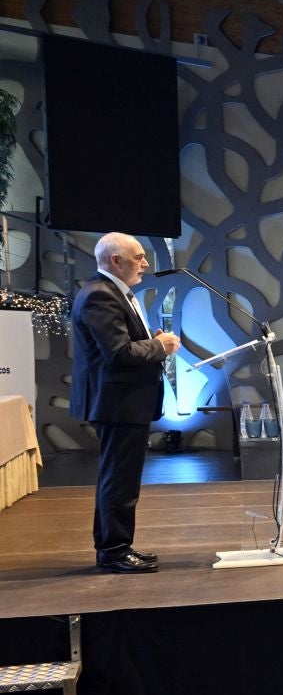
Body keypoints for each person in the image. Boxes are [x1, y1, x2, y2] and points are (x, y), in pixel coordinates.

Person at [69, 234, 181, 573]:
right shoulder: (100, 296)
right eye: (139, 256)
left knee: (119, 479)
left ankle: (115, 546)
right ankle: (115, 551)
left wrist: (152, 342)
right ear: (116, 261)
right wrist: (160, 346)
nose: (146, 263)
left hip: (123, 402)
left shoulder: (109, 292)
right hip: (117, 403)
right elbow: (118, 354)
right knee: (120, 481)